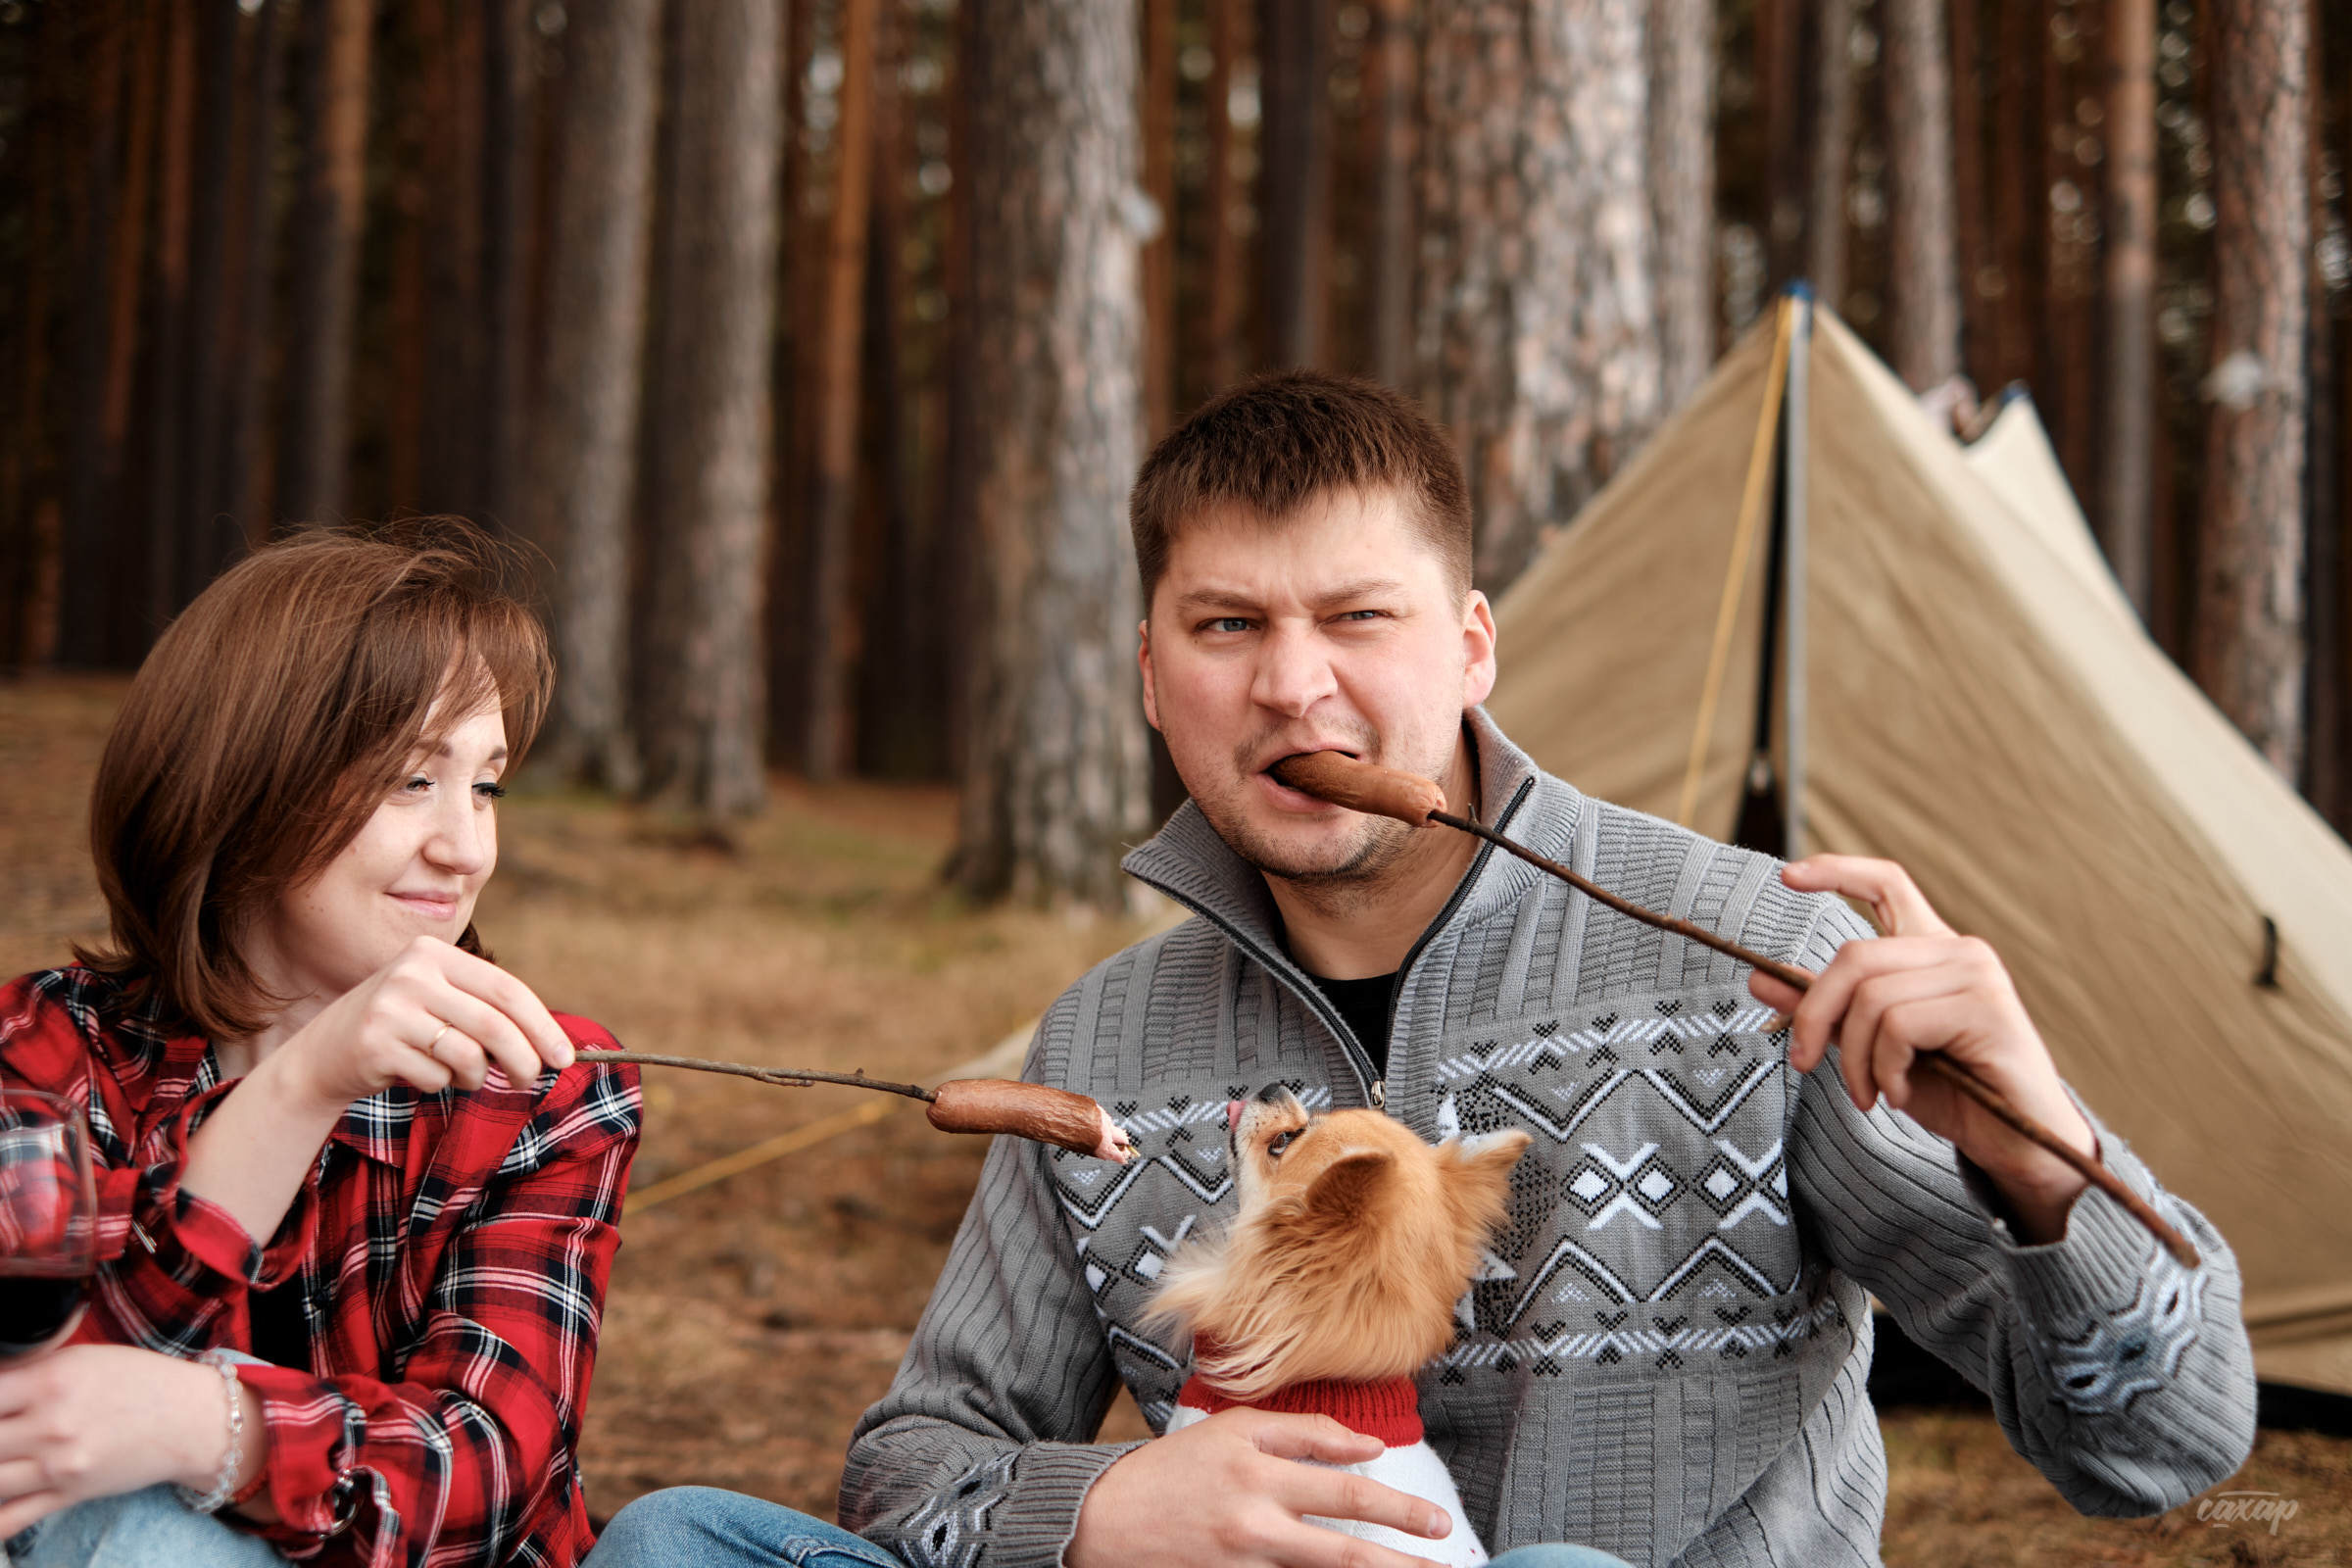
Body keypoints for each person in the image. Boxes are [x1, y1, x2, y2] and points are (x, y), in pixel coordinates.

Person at [598, 371, 2256, 1568]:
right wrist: (1103, 1507)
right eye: (1229, 626)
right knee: (677, 1542)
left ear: (1469, 649)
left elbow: (2165, 1451)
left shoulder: (1759, 958)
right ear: (1154, 676)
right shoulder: (1103, 1043)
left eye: (1356, 618)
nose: (1291, 688)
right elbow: (913, 1467)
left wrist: (2050, 1165)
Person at [0, 524, 642, 1568]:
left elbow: (486, 1482)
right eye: (411, 781)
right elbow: (40, 1427)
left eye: (485, 786)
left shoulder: (540, 1086)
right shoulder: (46, 1051)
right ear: (244, 784)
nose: (467, 848)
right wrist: (295, 1087)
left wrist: (213, 1427)